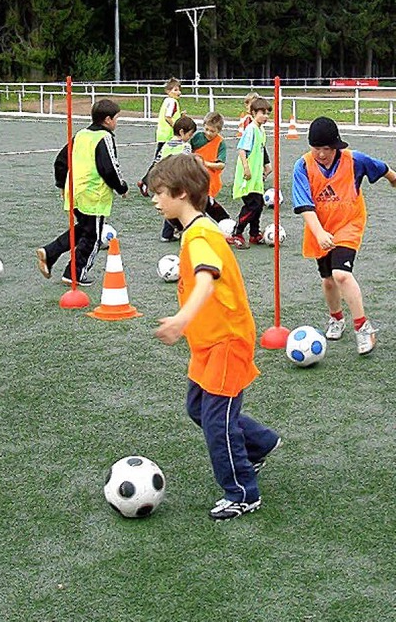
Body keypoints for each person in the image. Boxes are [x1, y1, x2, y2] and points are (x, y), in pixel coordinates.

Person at [149, 153, 281, 520]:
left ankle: (241, 493)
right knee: (197, 409)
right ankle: (260, 443)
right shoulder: (195, 230)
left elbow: (207, 277)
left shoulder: (201, 235)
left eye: (160, 193)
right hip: (207, 342)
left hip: (226, 340)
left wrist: (181, 319)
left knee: (216, 422)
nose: (156, 200)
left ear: (181, 193)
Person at [292, 116, 396, 355]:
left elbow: (381, 168)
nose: (320, 154)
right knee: (328, 280)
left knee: (341, 274)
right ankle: (336, 318)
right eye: (316, 148)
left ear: (336, 146)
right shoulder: (302, 166)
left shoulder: (354, 160)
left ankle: (363, 327)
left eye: (326, 149)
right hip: (320, 227)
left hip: (349, 223)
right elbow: (304, 205)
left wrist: (393, 179)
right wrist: (319, 232)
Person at [36, 99, 128, 287]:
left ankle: (50, 252)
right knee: (93, 237)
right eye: (117, 118)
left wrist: (63, 186)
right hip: (93, 194)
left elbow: (60, 161)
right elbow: (109, 168)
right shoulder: (105, 137)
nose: (117, 123)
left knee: (84, 229)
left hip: (76, 192)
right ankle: (75, 273)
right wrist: (122, 187)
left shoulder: (80, 135)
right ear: (108, 119)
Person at [228, 97, 272, 249]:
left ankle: (254, 234)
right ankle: (237, 232)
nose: (266, 117)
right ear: (253, 113)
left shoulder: (261, 130)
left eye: (268, 114)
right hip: (248, 177)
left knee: (258, 205)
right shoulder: (250, 129)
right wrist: (246, 168)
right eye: (262, 113)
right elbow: (242, 150)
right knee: (253, 205)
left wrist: (267, 166)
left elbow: (261, 149)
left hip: (257, 177)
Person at [137, 77, 184, 196]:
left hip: (164, 135)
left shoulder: (168, 101)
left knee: (167, 162)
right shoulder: (172, 102)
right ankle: (145, 182)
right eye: (175, 90)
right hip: (168, 137)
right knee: (160, 162)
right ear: (168, 91)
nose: (178, 92)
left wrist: (180, 116)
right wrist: (177, 128)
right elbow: (168, 117)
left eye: (179, 90)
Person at [191, 111, 231, 224]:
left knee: (206, 203)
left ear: (219, 131)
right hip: (194, 177)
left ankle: (225, 221)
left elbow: (221, 165)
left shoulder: (220, 143)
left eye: (212, 131)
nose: (208, 133)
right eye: (206, 129)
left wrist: (205, 163)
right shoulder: (197, 137)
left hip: (210, 180)